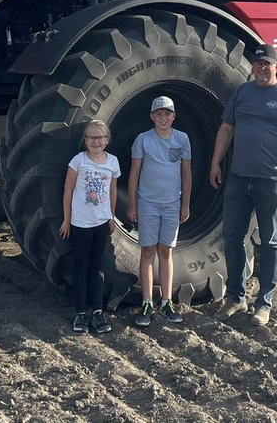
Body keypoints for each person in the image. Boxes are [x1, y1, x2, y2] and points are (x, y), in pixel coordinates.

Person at [209, 44, 277, 326]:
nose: (261, 68)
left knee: (270, 241)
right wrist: (215, 163)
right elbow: (226, 129)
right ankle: (236, 298)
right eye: (257, 63)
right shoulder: (242, 92)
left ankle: (264, 303)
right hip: (240, 178)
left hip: (274, 180)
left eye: (267, 64)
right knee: (232, 238)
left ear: (276, 67)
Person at [127, 95, 192, 328]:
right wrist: (133, 204)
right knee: (147, 250)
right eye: (159, 114)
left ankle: (166, 301)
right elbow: (134, 172)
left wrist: (185, 204)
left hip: (173, 203)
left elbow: (186, 173)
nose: (163, 118)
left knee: (166, 251)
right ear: (152, 117)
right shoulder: (143, 140)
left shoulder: (182, 139)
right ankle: (147, 301)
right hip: (148, 203)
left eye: (167, 114)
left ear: (173, 117)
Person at [59, 119, 120, 334]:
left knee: (98, 268)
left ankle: (97, 312)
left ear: (107, 140)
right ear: (85, 141)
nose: (96, 141)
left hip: (101, 222)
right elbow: (67, 191)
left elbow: (112, 192)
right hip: (81, 223)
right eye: (91, 137)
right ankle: (81, 314)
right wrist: (67, 220)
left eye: (100, 137)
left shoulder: (112, 162)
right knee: (80, 267)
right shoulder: (79, 161)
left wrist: (111, 217)